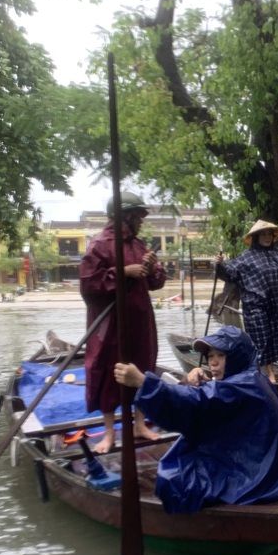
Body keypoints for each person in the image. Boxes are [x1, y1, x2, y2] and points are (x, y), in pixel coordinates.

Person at [112, 325, 278, 514]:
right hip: (270, 473)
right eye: (210, 356)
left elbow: (193, 402)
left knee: (173, 481)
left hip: (252, 478)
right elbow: (217, 398)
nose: (213, 363)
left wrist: (143, 382)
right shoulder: (256, 378)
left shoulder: (239, 386)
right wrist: (203, 382)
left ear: (237, 356)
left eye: (221, 356)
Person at [79, 192, 167, 453]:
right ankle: (108, 433)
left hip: (139, 320)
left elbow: (156, 281)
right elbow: (88, 283)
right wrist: (123, 272)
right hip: (110, 323)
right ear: (124, 217)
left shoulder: (140, 246)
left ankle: (139, 424)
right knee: (108, 372)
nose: (141, 222)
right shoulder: (99, 245)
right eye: (137, 217)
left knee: (142, 367)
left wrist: (152, 269)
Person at [215, 219, 278, 383]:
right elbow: (229, 273)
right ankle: (270, 372)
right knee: (263, 338)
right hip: (257, 306)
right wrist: (220, 265)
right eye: (263, 234)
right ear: (256, 237)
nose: (267, 237)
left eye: (269, 234)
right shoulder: (246, 258)